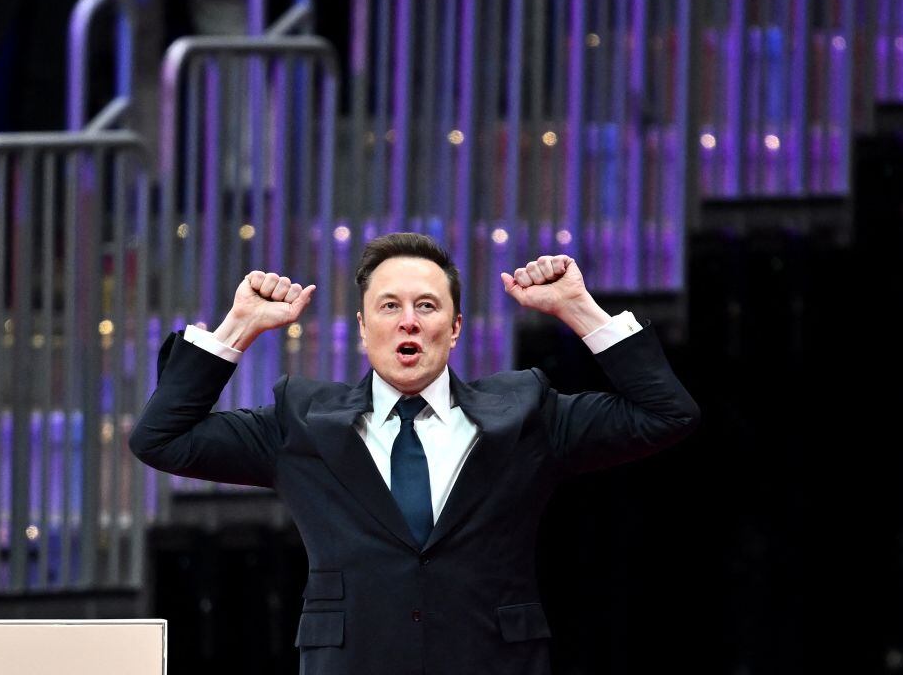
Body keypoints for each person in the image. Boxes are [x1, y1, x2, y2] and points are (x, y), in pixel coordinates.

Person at [130, 232, 699, 675]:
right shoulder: (301, 421)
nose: (408, 319)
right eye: (389, 305)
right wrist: (239, 327)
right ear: (362, 327)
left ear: (453, 330)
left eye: (427, 306)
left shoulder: (526, 411)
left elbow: (666, 414)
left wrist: (579, 309)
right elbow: (162, 438)